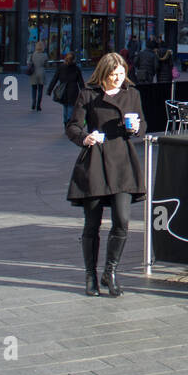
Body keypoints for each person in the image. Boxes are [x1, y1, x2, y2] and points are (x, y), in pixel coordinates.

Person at [65, 52, 146, 297]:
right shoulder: (88, 94)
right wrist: (84, 137)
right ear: (104, 74)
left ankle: (110, 271)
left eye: (122, 74)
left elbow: (142, 125)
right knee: (92, 223)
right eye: (114, 75)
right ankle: (90, 274)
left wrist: (136, 128)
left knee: (122, 220)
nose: (119, 79)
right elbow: (73, 126)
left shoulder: (132, 94)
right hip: (96, 161)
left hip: (122, 160)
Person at [47, 52, 85, 125]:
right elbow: (80, 81)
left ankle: (66, 122)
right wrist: (84, 91)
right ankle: (68, 122)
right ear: (74, 59)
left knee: (65, 107)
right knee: (70, 107)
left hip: (63, 90)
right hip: (73, 90)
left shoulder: (61, 67)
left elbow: (54, 79)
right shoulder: (76, 68)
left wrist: (49, 90)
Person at [27, 41, 49, 112]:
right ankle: (38, 105)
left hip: (34, 73)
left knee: (33, 89)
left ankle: (33, 103)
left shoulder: (33, 54)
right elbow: (46, 65)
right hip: (41, 72)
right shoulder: (45, 55)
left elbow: (29, 63)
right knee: (40, 90)